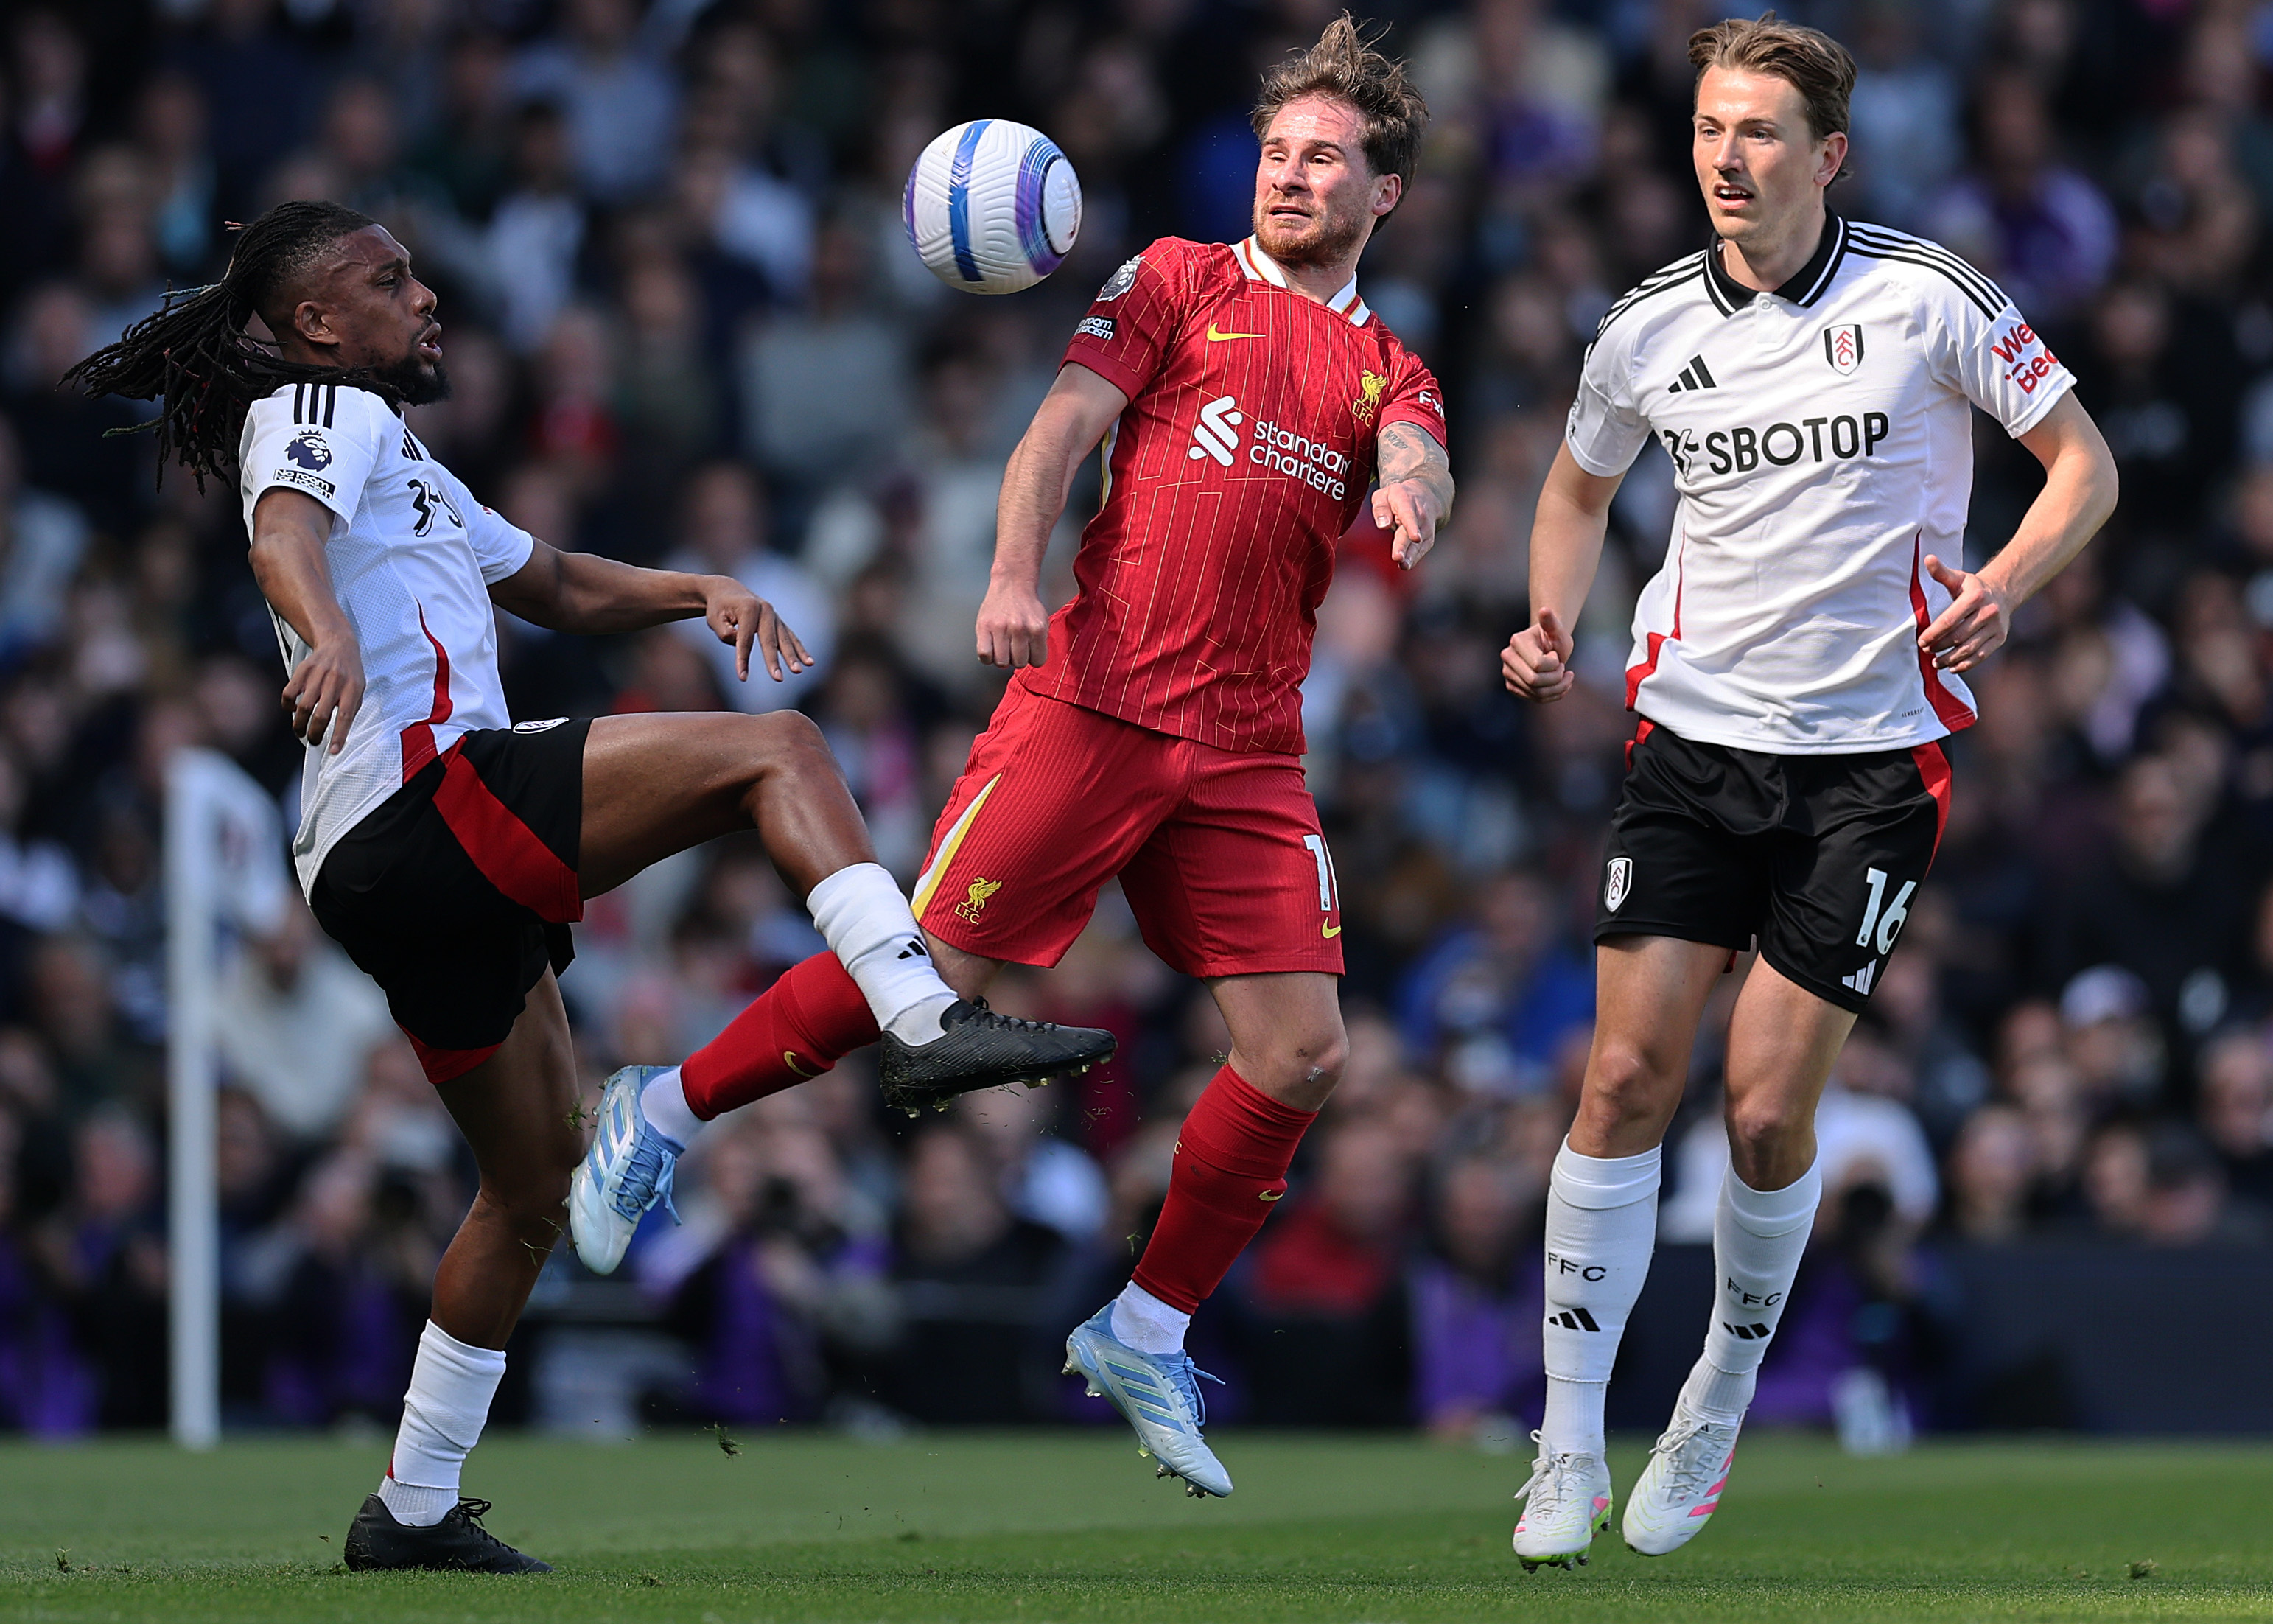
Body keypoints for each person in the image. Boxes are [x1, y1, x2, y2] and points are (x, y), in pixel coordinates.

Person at [67, 200, 1112, 1573]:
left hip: (388, 864)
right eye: (390, 280)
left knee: (534, 1188)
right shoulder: (320, 408)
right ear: (319, 322)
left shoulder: (403, 454)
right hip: (420, 800)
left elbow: (551, 581)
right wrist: (320, 633)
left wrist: (699, 591)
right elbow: (281, 536)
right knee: (781, 749)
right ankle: (919, 1020)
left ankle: (414, 1510)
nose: (426, 295)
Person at [567, 15, 1454, 1499]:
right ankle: (653, 1111)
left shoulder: (1386, 365)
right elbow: (1059, 430)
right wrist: (1005, 572)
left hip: (1245, 753)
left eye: (1327, 160)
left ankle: (1145, 1324)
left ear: (1388, 195)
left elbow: (1418, 444)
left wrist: (1415, 491)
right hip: (1096, 701)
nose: (1292, 178)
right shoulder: (1174, 277)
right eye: (1279, 152)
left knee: (1302, 1054)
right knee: (928, 976)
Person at [1497, 17, 2117, 1567]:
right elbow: (1579, 483)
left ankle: (1717, 1389)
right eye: (1711, 127)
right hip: (1691, 746)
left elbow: (2082, 462)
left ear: (1827, 155)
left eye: (1762, 131)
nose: (1728, 156)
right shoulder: (1644, 326)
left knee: (1767, 1111)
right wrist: (1553, 612)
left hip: (1870, 765)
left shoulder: (1925, 297)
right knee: (1624, 1085)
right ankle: (1567, 1435)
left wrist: (2011, 583)